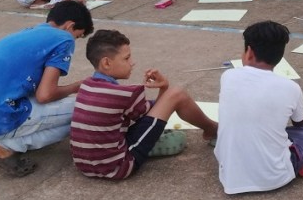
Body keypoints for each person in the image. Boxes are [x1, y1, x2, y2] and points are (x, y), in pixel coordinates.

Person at [0, 1, 94, 177]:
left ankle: (8, 142)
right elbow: (45, 95)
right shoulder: (63, 38)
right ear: (70, 26)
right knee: (88, 108)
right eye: (77, 35)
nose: (74, 40)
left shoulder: (30, 32)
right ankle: (8, 146)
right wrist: (77, 86)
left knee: (69, 118)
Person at [215, 21, 303, 194]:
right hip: (275, 176)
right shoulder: (290, 87)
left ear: (249, 52)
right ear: (279, 56)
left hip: (229, 173)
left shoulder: (228, 76)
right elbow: (301, 122)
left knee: (260, 128)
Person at [70, 29, 218, 180]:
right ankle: (212, 129)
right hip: (118, 167)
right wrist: (164, 87)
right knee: (177, 94)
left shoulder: (85, 85)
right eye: (126, 58)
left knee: (165, 102)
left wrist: (163, 90)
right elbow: (156, 112)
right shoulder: (125, 94)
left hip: (84, 166)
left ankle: (204, 130)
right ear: (106, 63)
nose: (132, 62)